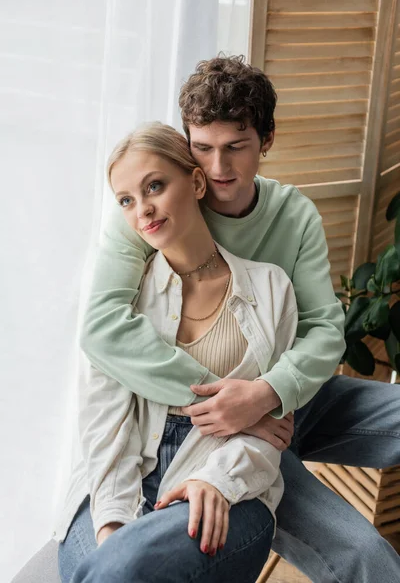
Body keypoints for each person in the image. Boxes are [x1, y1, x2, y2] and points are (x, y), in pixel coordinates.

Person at [78, 55, 400, 582]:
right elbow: (101, 329)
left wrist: (264, 395)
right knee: (365, 557)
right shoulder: (155, 209)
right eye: (202, 148)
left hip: (289, 393)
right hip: (223, 423)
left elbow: (323, 329)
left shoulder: (293, 215)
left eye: (236, 147)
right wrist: (227, 400)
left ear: (266, 139)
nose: (219, 167)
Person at [55, 122, 299, 583]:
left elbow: (269, 435)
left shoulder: (271, 289)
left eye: (155, 186)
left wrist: (218, 481)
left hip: (221, 483)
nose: (142, 209)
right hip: (114, 481)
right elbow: (102, 420)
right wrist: (112, 527)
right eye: (126, 200)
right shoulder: (118, 301)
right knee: (114, 570)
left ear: (197, 181)